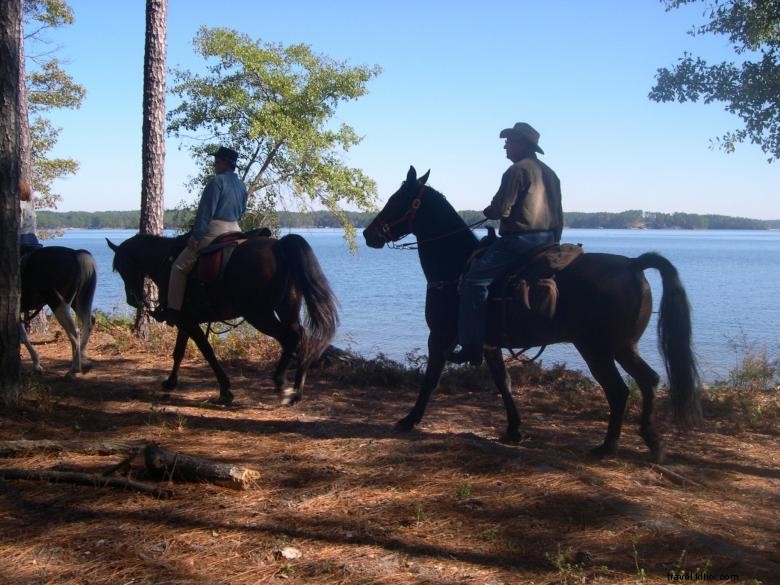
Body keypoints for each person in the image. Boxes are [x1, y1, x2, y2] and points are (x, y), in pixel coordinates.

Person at [448, 122, 563, 366]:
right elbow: (559, 216)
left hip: (520, 241)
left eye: (509, 141)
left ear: (522, 144)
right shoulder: (550, 174)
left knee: (473, 281)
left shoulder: (517, 171)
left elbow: (501, 209)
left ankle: (471, 346)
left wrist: (489, 211)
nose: (505, 146)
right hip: (549, 240)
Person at [155, 146, 248, 325]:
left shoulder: (216, 182)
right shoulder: (241, 185)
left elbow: (205, 213)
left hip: (215, 229)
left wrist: (196, 237)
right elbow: (242, 212)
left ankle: (173, 311)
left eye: (217, 161)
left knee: (179, 267)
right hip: (236, 229)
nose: (214, 165)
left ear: (224, 163)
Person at [19, 179, 43, 254]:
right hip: (33, 238)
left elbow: (19, 224)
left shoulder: (18, 205)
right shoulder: (29, 205)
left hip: (22, 238)